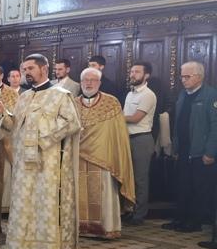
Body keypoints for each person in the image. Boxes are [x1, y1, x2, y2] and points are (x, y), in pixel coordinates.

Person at [0, 53, 81, 249]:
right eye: (25, 69)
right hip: (24, 163)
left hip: (49, 163)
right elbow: (14, 126)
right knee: (25, 202)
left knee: (45, 203)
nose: (27, 73)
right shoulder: (23, 97)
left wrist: (41, 137)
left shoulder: (61, 95)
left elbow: (72, 123)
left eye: (31, 68)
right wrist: (3, 113)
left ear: (44, 68)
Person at [77, 67, 135, 238]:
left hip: (104, 158)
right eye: (85, 80)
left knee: (103, 194)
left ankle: (106, 228)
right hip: (77, 157)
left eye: (93, 80)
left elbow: (118, 134)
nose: (89, 83)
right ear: (80, 83)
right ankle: (79, 227)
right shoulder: (71, 102)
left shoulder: (111, 103)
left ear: (100, 83)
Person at [163, 61, 217, 232]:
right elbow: (179, 124)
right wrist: (176, 148)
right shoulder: (182, 95)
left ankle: (195, 221)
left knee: (199, 188)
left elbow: (215, 126)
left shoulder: (210, 96)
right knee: (182, 185)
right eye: (182, 76)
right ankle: (180, 218)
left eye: (187, 76)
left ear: (199, 77)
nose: (183, 80)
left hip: (201, 151)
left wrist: (210, 151)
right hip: (184, 150)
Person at [123, 62, 157, 225]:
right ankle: (129, 209)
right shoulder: (130, 94)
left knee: (140, 179)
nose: (132, 74)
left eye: (137, 72)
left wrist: (115, 117)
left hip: (141, 139)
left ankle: (139, 214)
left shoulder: (148, 95)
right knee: (128, 177)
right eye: (131, 71)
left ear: (146, 75)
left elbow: (136, 118)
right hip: (127, 138)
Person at [0, 65, 19, 231]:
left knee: (3, 177)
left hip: (5, 139)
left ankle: (2, 210)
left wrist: (2, 114)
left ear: (1, 75)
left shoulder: (11, 93)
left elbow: (14, 117)